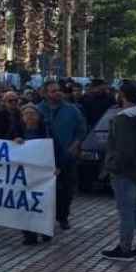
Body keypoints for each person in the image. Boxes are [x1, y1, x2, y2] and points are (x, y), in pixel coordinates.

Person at [100, 81, 136, 261]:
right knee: (134, 208)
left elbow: (123, 149)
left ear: (122, 95)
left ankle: (125, 248)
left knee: (126, 211)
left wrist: (112, 167)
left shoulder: (123, 118)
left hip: (124, 172)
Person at [37, 81, 87, 230]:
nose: (57, 93)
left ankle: (63, 216)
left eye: (59, 90)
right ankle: (43, 217)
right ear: (45, 93)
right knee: (45, 189)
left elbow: (82, 129)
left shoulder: (72, 110)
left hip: (67, 156)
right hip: (44, 158)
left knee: (67, 189)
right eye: (53, 91)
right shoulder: (38, 110)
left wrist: (75, 145)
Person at [12, 105, 61, 245]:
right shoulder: (16, 130)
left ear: (38, 117)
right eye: (26, 114)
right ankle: (29, 235)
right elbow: (6, 148)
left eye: (32, 114)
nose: (30, 117)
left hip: (43, 175)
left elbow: (58, 149)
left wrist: (58, 166)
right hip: (23, 175)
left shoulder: (46, 131)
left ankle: (45, 230)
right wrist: (14, 142)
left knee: (43, 203)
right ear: (22, 118)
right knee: (25, 204)